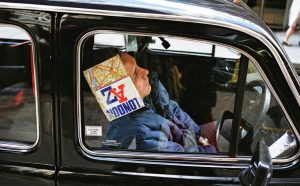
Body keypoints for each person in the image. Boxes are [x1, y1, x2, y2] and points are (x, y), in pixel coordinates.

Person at [104, 51, 217, 153]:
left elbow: (174, 109)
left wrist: (199, 136)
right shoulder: (141, 132)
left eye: (138, 66)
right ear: (122, 93)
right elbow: (184, 156)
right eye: (134, 74)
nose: (145, 71)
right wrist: (210, 149)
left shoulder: (152, 91)